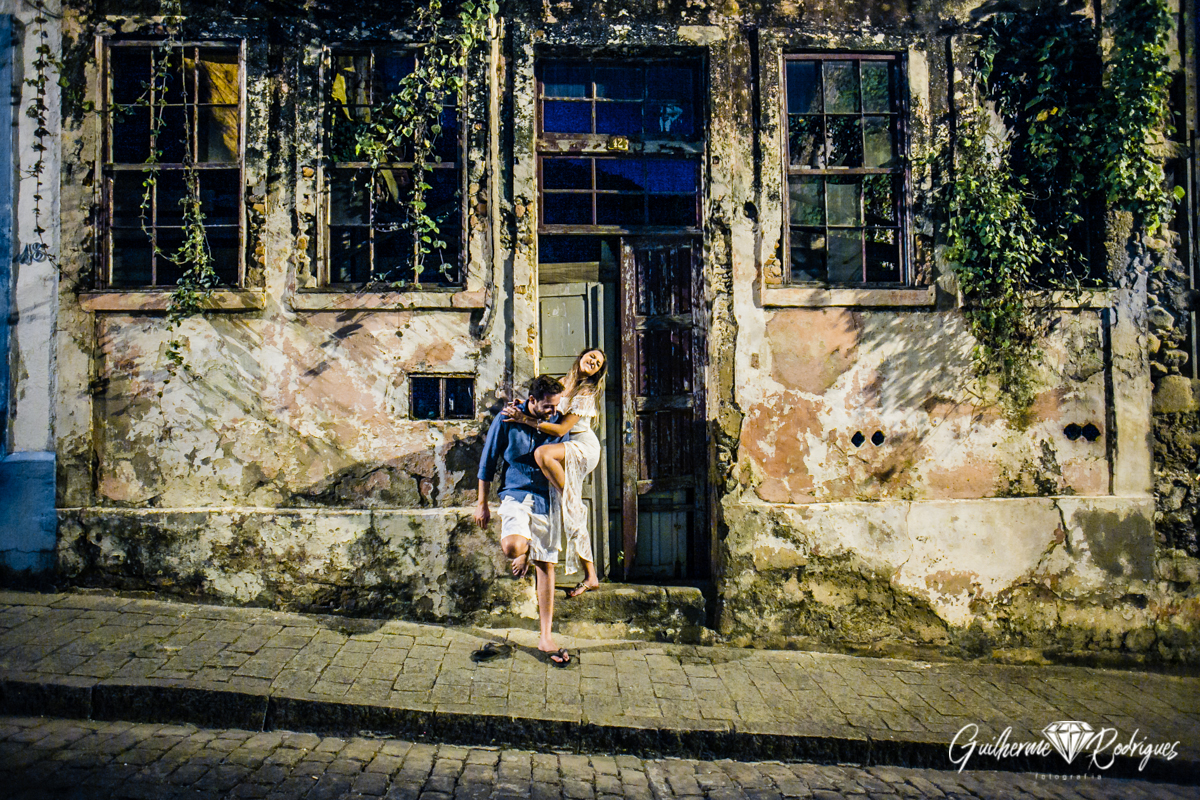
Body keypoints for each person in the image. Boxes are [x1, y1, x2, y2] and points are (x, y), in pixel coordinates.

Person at [475, 375, 572, 666]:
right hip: (515, 494)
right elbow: (487, 462)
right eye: (546, 406)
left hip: (546, 497)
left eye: (555, 406)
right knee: (512, 548)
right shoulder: (506, 420)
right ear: (531, 400)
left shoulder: (556, 423)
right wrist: (482, 504)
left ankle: (545, 636)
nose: (552, 411)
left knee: (547, 564)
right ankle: (525, 550)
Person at [502, 349, 606, 598]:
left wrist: (524, 420)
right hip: (562, 448)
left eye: (598, 363)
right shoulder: (561, 383)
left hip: (580, 447)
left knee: (544, 457)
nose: (593, 362)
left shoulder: (587, 392)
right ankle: (590, 575)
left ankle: (571, 500)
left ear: (598, 371)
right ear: (581, 356)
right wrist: (522, 408)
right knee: (560, 505)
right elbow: (540, 403)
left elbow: (560, 429)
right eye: (591, 356)